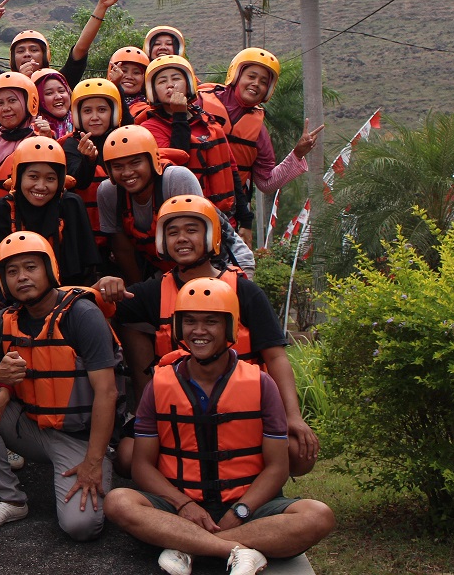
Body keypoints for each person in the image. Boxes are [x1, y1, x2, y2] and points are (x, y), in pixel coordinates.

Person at [104, 278, 335, 575]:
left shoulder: (261, 384)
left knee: (318, 515)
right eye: (189, 321)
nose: (198, 331)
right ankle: (236, 550)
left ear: (229, 328)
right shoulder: (159, 384)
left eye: (211, 322)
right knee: (118, 501)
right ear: (178, 328)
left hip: (248, 506)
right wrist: (184, 504)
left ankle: (187, 545)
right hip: (180, 507)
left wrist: (241, 511)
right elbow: (142, 468)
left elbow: (277, 467)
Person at [96, 195, 319, 477]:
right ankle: (185, 476)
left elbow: (275, 356)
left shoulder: (244, 290)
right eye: (173, 232)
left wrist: (293, 416)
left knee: (299, 455)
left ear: (211, 236)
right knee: (127, 457)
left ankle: (243, 473)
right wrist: (102, 286)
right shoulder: (153, 292)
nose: (182, 239)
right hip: (180, 409)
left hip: (239, 406)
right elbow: (90, 305)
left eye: (192, 230)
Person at [0, 232, 122, 539]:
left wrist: (93, 462)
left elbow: (107, 392)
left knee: (80, 527)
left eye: (30, 267)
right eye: (12, 271)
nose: (21, 277)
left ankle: (92, 468)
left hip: (79, 438)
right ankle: (10, 498)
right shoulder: (4, 319)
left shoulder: (82, 314)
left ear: (49, 270)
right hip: (32, 427)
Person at [97, 125, 253, 285]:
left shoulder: (176, 179)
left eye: (135, 163)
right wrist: (138, 291)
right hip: (170, 267)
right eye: (118, 166)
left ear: (152, 161)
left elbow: (197, 237)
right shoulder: (108, 192)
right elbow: (123, 249)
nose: (127, 172)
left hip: (221, 260)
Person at [198, 48, 325, 245]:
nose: (256, 84)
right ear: (236, 75)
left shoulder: (258, 131)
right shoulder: (198, 102)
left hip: (228, 214)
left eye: (264, 82)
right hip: (190, 201)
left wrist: (297, 154)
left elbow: (267, 183)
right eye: (251, 76)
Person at [0, 137, 100, 300]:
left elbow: (87, 263)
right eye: (33, 177)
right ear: (18, 177)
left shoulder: (71, 205)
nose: (41, 186)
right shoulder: (0, 211)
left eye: (50, 179)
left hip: (67, 296)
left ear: (60, 180)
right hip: (14, 299)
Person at [139, 54, 242, 226]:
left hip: (224, 219)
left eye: (176, 78)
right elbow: (177, 164)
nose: (170, 84)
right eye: (162, 81)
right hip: (185, 218)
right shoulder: (150, 129)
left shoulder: (208, 121)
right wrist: (179, 114)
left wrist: (245, 220)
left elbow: (231, 169)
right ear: (153, 90)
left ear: (188, 84)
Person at [62, 77, 122, 267]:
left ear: (113, 113)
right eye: (87, 111)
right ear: (78, 115)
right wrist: (88, 160)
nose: (94, 117)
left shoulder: (124, 140)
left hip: (123, 231)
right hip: (88, 237)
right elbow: (77, 180)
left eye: (102, 110)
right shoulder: (71, 144)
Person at [0, 71, 43, 193]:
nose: (5, 108)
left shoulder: (41, 143)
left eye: (12, 100)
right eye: (0, 103)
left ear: (28, 103)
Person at [108, 46, 153, 124]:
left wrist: (117, 87)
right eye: (124, 71)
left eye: (136, 73)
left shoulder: (147, 111)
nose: (129, 77)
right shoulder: (98, 103)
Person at [31, 68, 74, 139]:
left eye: (61, 91)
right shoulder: (30, 130)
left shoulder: (81, 122)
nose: (58, 97)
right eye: (49, 93)